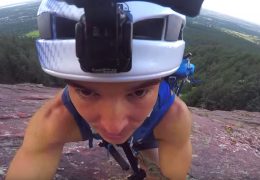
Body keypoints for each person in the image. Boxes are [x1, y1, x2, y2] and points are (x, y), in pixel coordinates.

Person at [6, 0, 196, 179]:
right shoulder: (171, 119)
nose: (114, 126)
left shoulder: (173, 119)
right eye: (86, 92)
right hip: (154, 120)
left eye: (139, 92)